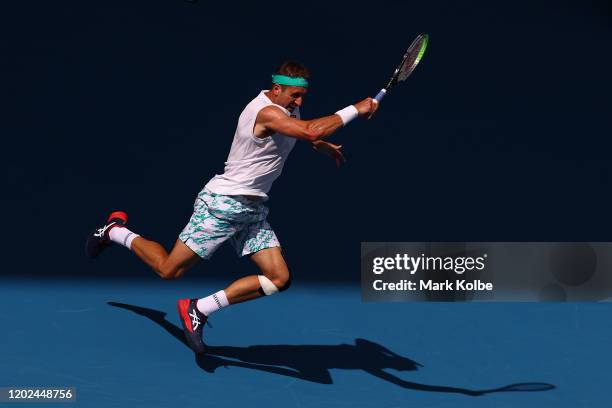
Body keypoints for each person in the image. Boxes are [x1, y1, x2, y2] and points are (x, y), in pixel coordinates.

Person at [86, 60, 378, 353]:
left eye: (302, 96)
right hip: (222, 204)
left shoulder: (287, 107)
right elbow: (311, 130)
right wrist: (355, 109)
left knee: (279, 279)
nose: (299, 102)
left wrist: (319, 145)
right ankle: (114, 232)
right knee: (168, 271)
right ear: (276, 90)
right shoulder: (266, 112)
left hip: (252, 208)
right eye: (294, 96)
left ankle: (198, 309)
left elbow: (304, 132)